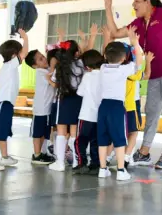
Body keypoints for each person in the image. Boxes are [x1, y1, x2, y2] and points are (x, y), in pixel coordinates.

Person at [103, 0, 162, 170]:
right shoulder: (137, 23)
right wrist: (108, 7)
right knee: (151, 111)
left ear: (148, 2)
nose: (133, 5)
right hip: (154, 72)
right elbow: (114, 33)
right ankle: (144, 153)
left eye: (137, 1)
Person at [48, 24, 98, 172]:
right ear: (76, 53)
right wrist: (92, 36)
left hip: (63, 100)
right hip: (78, 100)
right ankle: (77, 161)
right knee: (75, 133)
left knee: (61, 132)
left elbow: (55, 84)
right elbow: (88, 52)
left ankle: (60, 163)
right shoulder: (81, 64)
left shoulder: (60, 67)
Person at [97, 26, 143, 181]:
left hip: (103, 106)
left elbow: (106, 54)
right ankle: (121, 170)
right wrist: (134, 43)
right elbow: (139, 63)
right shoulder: (124, 69)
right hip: (117, 107)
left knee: (103, 138)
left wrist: (107, 39)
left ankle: (102, 169)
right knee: (119, 138)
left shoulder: (103, 68)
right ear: (123, 58)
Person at [0, 29, 28, 171]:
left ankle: (5, 157)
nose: (21, 55)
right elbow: (25, 53)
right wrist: (25, 37)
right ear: (14, 55)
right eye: (19, 52)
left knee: (3, 132)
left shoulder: (8, 67)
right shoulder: (10, 65)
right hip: (3, 104)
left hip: (6, 104)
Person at [73, 49, 104, 175]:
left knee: (80, 140)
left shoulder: (87, 76)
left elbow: (79, 92)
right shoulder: (104, 75)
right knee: (95, 141)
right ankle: (95, 164)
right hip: (99, 116)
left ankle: (82, 163)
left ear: (87, 66)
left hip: (86, 115)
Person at [25, 48, 56, 165]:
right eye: (40, 59)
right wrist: (53, 63)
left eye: (43, 56)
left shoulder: (45, 70)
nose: (44, 59)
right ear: (34, 66)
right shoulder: (41, 72)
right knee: (37, 133)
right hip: (40, 109)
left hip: (47, 108)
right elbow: (52, 76)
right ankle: (36, 155)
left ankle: (41, 153)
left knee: (44, 132)